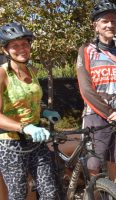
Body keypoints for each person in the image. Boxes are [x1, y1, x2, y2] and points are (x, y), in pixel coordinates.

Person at [0, 22, 59, 199]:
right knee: (18, 194)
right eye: (15, 46)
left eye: (25, 43)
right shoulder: (2, 74)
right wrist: (25, 127)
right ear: (5, 50)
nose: (22, 49)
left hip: (36, 139)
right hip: (11, 143)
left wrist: (44, 112)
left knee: (49, 191)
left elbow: (29, 102)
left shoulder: (32, 70)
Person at [76, 0, 116, 184]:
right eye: (104, 21)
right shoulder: (86, 51)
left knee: (115, 161)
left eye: (113, 21)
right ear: (96, 26)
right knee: (94, 164)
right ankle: (96, 194)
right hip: (96, 116)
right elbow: (85, 89)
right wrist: (110, 114)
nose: (110, 25)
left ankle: (113, 194)